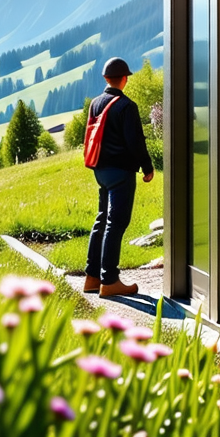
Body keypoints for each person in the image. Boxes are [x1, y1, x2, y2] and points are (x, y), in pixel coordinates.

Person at [83, 57, 155, 297]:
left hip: (100, 171)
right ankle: (110, 280)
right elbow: (135, 142)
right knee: (116, 223)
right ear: (125, 79)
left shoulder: (95, 103)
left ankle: (92, 277)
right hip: (121, 173)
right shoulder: (126, 106)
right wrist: (147, 167)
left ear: (105, 78)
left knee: (102, 219)